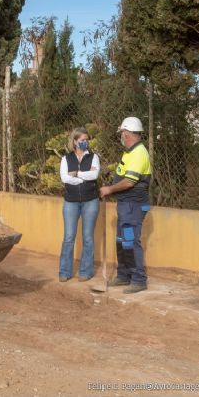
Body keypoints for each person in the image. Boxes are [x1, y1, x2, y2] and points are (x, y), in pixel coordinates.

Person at [99, 117, 151, 294]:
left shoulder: (139, 153)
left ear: (127, 134)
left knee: (129, 240)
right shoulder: (129, 152)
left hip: (134, 205)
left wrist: (109, 189)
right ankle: (123, 275)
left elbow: (129, 182)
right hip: (126, 205)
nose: (121, 136)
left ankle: (138, 279)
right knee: (122, 240)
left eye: (122, 133)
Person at [58, 127, 100, 282]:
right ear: (75, 141)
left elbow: (94, 175)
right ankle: (64, 271)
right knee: (69, 237)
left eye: (86, 140)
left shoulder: (93, 157)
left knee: (88, 237)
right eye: (82, 140)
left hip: (90, 201)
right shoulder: (66, 158)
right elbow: (64, 178)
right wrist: (83, 178)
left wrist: (76, 174)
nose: (85, 142)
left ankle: (85, 271)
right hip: (71, 202)